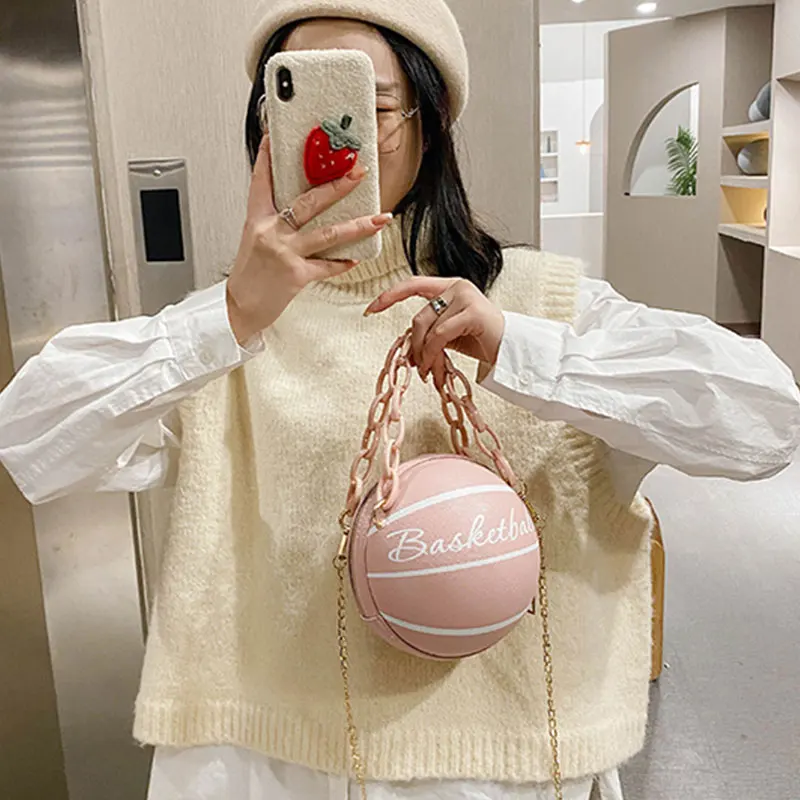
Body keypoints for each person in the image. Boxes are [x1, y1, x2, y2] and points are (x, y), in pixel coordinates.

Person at [1, 1, 798, 798]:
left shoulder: (540, 306)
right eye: (294, 104)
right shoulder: (231, 331)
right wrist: (230, 316)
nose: (329, 141)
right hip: (268, 765)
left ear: (432, 116)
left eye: (367, 106)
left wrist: (518, 350)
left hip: (499, 772)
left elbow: (764, 420)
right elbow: (31, 432)